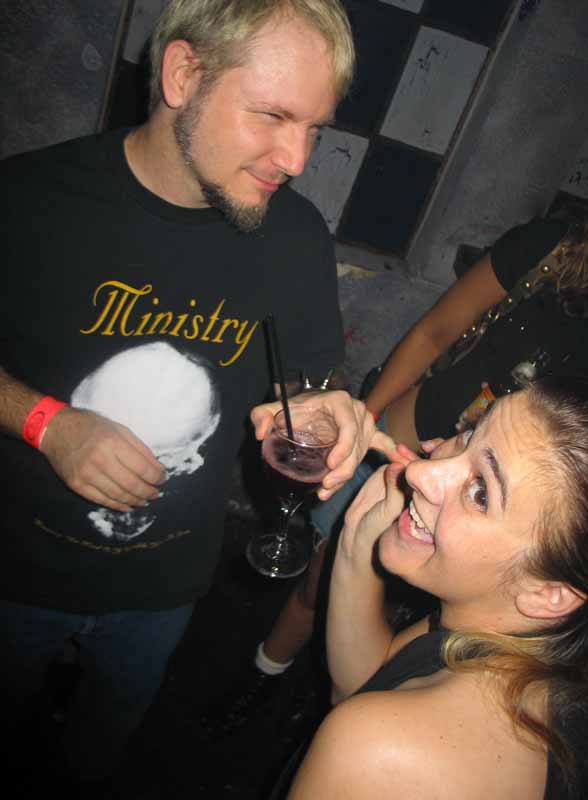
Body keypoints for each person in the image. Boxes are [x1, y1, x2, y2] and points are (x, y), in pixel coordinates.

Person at [0, 0, 397, 788]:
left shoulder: (294, 235)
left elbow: (306, 379)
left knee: (100, 753)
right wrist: (47, 422)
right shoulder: (30, 200)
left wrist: (325, 406)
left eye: (314, 129)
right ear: (183, 74)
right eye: (274, 116)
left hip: (168, 589)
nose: (296, 158)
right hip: (13, 574)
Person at [224, 206, 588, 729]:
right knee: (323, 581)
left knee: (409, 638)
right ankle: (265, 672)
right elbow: (435, 332)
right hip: (401, 447)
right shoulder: (551, 248)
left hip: (496, 535)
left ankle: (344, 700)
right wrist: (363, 422)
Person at [284, 376, 588, 799]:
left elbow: (366, 719)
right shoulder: (533, 647)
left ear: (548, 594)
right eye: (469, 432)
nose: (420, 471)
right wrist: (360, 536)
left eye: (481, 492)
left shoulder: (380, 749)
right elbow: (367, 681)